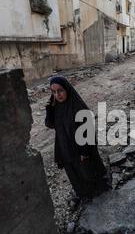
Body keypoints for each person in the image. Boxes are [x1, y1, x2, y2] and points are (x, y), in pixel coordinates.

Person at [45, 76, 109, 205]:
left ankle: (97, 193)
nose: (57, 95)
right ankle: (82, 194)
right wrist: (49, 110)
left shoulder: (79, 107)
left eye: (60, 90)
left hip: (80, 148)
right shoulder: (56, 107)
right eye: (53, 92)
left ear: (67, 89)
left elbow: (89, 130)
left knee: (87, 171)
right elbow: (50, 124)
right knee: (74, 174)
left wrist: (84, 152)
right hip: (65, 147)